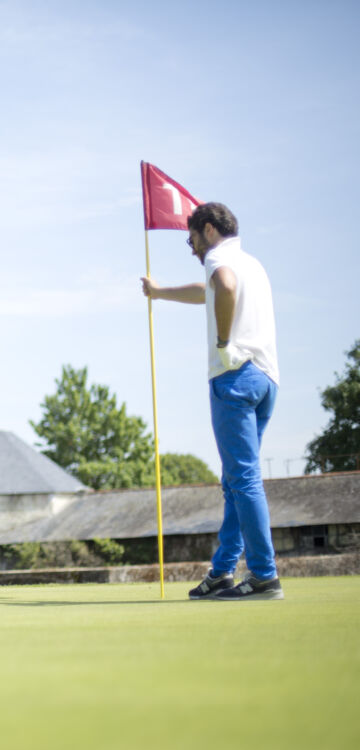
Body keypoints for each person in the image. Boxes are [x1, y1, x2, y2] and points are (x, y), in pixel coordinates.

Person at [141, 202, 283, 601]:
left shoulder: (218, 259)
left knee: (243, 479)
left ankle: (264, 576)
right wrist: (159, 293)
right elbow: (211, 290)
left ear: (208, 229)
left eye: (191, 240)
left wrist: (223, 343)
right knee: (235, 480)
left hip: (234, 377)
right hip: (266, 379)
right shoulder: (253, 263)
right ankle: (222, 573)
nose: (192, 249)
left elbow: (224, 285)